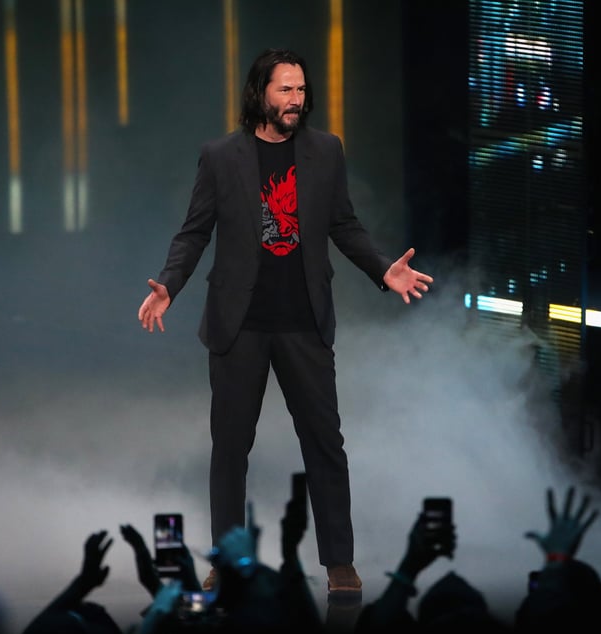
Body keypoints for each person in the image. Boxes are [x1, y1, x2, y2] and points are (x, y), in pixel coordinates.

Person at [137, 47, 434, 595]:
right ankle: (227, 561)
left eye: (301, 90)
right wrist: (169, 284)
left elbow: (344, 224)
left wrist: (381, 269)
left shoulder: (325, 150)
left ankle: (339, 562)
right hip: (239, 325)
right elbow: (194, 231)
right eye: (285, 90)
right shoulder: (222, 157)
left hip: (304, 321)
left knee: (325, 442)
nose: (296, 100)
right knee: (230, 448)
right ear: (260, 94)